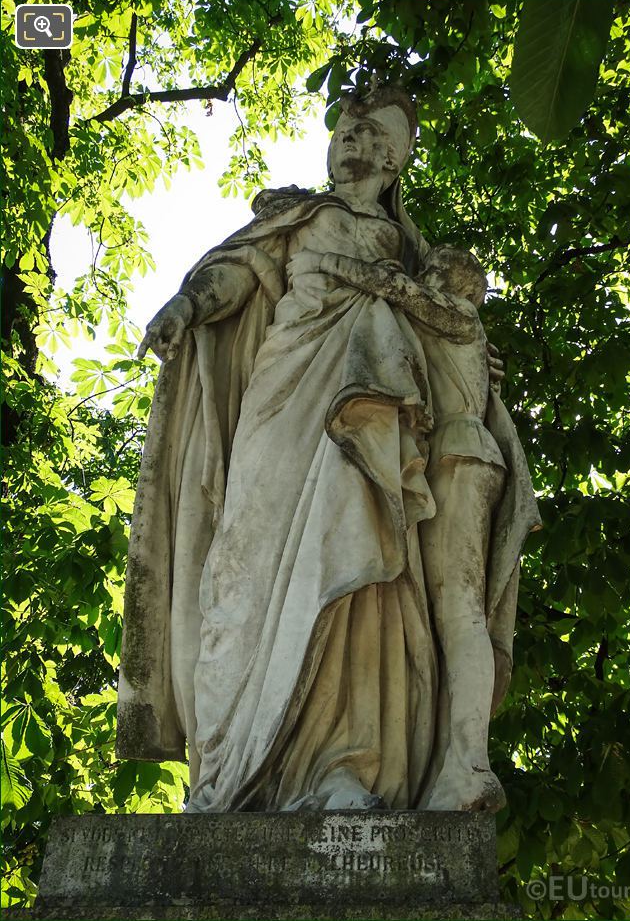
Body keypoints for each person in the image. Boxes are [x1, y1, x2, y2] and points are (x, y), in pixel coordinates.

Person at [116, 88, 539, 814]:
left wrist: (470, 358)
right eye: (342, 129)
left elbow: (450, 333)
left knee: (362, 557)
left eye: (366, 132)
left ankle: (347, 765)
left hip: (373, 410)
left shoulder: (415, 255)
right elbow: (237, 275)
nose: (347, 140)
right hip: (284, 397)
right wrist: (187, 304)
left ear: (393, 156)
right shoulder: (297, 218)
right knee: (243, 567)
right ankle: (231, 769)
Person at [287, 244, 540, 810]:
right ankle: (450, 762)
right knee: (439, 617)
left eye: (435, 271)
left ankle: (470, 763)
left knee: (460, 614)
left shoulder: (460, 315)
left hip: (460, 458)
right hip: (450, 459)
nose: (420, 275)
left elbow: (397, 291)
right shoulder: (456, 328)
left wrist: (336, 261)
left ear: (462, 285)